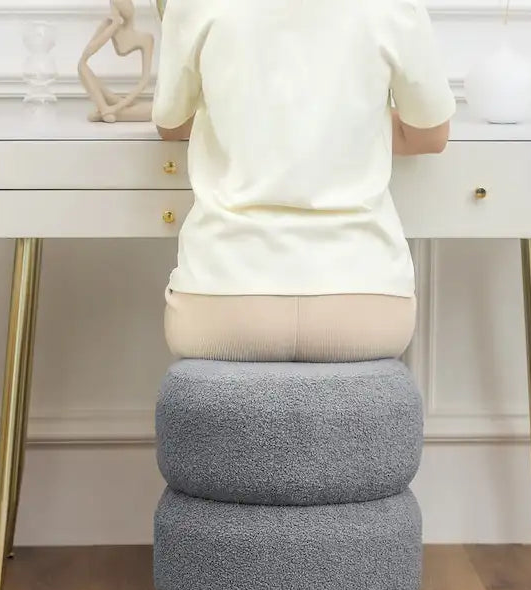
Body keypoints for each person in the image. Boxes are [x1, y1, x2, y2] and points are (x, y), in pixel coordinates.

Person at [152, 0, 455, 362]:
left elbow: (171, 125)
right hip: (367, 304)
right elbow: (429, 136)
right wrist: (351, 120)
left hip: (219, 300)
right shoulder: (394, 7)